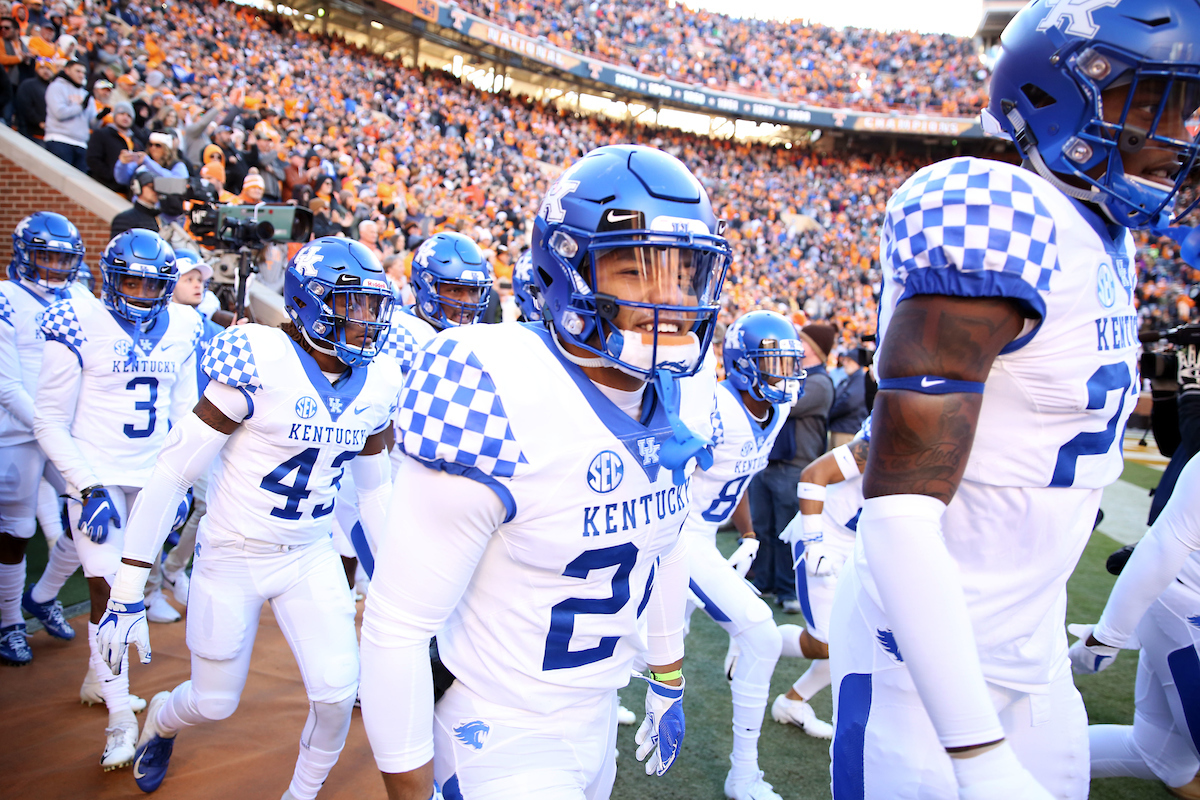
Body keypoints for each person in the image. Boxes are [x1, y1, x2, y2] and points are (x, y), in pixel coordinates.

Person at [827, 2, 1200, 797]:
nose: (1187, 128)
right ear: (1066, 93)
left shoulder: (1103, 232)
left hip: (1029, 648)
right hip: (922, 664)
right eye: (1161, 99)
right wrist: (977, 753)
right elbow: (897, 512)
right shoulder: (998, 211)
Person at [359, 144, 729, 800]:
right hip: (499, 727)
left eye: (685, 272)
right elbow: (397, 626)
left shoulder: (678, 391)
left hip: (595, 722)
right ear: (566, 269)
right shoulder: (493, 380)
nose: (670, 298)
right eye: (635, 269)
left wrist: (667, 675)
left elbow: (668, 548)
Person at [95, 238, 401, 799]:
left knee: (337, 696)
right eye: (351, 303)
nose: (366, 321)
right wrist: (126, 590)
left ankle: (300, 794)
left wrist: (401, 581)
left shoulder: (380, 381)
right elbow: (173, 472)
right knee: (213, 702)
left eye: (372, 306)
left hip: (310, 553)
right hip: (233, 551)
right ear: (309, 303)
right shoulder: (259, 355)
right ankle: (163, 719)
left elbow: (377, 495)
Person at [34, 228, 200, 771]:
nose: (142, 292)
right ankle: (119, 723)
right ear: (109, 278)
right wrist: (84, 485)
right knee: (111, 591)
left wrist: (176, 483)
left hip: (152, 475)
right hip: (98, 475)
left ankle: (95, 679)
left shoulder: (185, 324)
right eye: (130, 279)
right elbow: (50, 420)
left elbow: (182, 413)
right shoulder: (75, 319)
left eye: (154, 283)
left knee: (131, 584)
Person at [678, 310, 804, 800]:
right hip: (675, 532)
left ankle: (743, 772)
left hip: (706, 535)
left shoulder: (776, 410)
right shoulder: (713, 406)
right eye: (774, 363)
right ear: (744, 364)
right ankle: (744, 775)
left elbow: (742, 473)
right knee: (759, 631)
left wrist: (748, 535)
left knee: (650, 644)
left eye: (789, 364)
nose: (785, 375)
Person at [1067, 452, 1200, 798]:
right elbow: (1166, 542)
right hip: (1187, 608)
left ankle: (996, 762)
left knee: (1160, 755)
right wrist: (1106, 638)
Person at [0, 212, 91, 666]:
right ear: (25, 253)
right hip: (16, 431)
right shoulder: (5, 297)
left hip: (64, 428)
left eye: (63, 256)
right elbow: (7, 383)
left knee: (90, 512)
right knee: (15, 531)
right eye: (46, 254)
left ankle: (43, 594)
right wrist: (47, 425)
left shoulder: (79, 296)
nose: (55, 264)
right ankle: (8, 621)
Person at [771, 415, 871, 738]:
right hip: (824, 534)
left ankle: (793, 702)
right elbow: (814, 474)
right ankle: (755, 639)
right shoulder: (889, 437)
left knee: (852, 639)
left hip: (859, 543)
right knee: (824, 642)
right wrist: (814, 543)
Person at [748, 322, 834, 610]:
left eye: (803, 341)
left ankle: (788, 590)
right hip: (769, 462)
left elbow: (784, 401)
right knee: (763, 527)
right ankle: (765, 581)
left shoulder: (821, 382)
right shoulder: (795, 376)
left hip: (794, 465)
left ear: (814, 349)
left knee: (785, 532)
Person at [42, 57, 93, 171]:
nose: (81, 75)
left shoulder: (85, 94)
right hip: (59, 139)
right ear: (67, 70)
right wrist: (80, 107)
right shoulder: (56, 87)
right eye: (78, 71)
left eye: (83, 72)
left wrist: (100, 117)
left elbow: (92, 122)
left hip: (81, 143)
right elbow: (59, 113)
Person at [109, 169, 161, 237]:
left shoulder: (159, 216)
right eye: (151, 187)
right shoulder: (125, 219)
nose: (155, 191)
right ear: (137, 188)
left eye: (157, 188)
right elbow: (120, 246)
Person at [14, 55, 53, 141]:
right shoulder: (28, 84)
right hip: (29, 131)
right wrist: (38, 122)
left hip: (47, 134)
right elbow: (25, 106)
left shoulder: (52, 88)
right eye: (42, 68)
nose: (45, 71)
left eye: (48, 68)